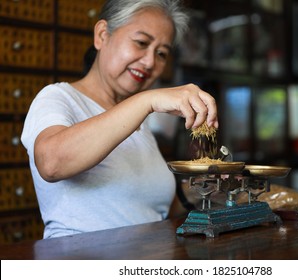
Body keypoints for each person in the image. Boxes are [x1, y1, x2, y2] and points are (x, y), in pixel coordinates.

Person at [21, 0, 218, 239]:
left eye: (161, 53)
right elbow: (51, 163)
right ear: (102, 35)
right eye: (141, 43)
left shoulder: (139, 121)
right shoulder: (59, 98)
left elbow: (147, 207)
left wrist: (206, 188)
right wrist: (148, 100)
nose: (150, 62)